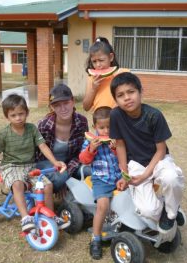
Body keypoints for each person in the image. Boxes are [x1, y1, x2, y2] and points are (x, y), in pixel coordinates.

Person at [109, 72, 185, 234]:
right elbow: (120, 146)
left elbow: (161, 150)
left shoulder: (154, 116)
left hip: (159, 160)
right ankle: (165, 205)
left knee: (172, 178)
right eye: (120, 95)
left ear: (140, 91)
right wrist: (124, 174)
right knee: (148, 211)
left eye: (131, 92)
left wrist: (145, 176)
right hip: (135, 163)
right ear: (116, 100)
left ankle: (172, 213)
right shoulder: (115, 115)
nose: (127, 98)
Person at [0, 94, 69, 232]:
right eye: (13, 115)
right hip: (11, 166)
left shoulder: (32, 129)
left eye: (21, 114)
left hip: (30, 167)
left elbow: (43, 146)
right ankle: (25, 218)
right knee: (17, 184)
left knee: (48, 186)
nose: (18, 118)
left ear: (27, 113)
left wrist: (55, 162)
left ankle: (50, 216)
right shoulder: (3, 134)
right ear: (7, 117)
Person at [79, 106, 121, 260]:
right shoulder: (90, 141)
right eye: (101, 127)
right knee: (103, 205)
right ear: (94, 127)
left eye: (109, 127)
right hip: (101, 179)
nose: (105, 131)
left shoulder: (118, 139)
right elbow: (83, 160)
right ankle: (96, 239)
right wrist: (91, 149)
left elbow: (125, 157)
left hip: (119, 177)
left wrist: (116, 149)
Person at [36, 84, 90, 193]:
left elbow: (80, 152)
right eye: (57, 105)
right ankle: (48, 188)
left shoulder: (82, 122)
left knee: (90, 171)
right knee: (61, 176)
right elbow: (35, 153)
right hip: (47, 164)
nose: (63, 108)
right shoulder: (44, 125)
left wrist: (68, 172)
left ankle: (68, 187)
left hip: (71, 163)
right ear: (52, 107)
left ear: (73, 101)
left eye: (66, 103)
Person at [82, 36, 129, 112]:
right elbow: (86, 107)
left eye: (101, 60)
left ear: (111, 57)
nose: (98, 65)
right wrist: (93, 89)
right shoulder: (91, 78)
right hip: (100, 122)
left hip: (119, 120)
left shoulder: (123, 73)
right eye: (94, 61)